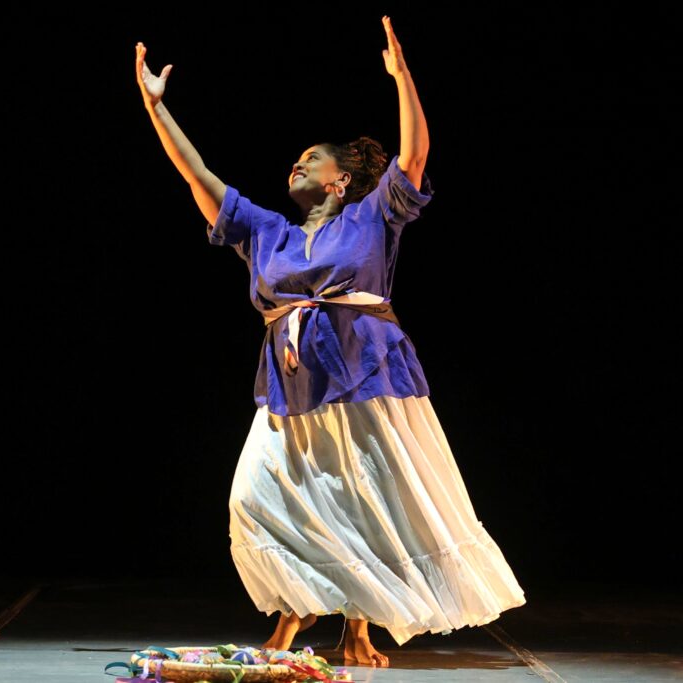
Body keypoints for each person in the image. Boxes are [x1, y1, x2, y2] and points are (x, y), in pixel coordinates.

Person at [135, 16, 526, 668]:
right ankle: (301, 608)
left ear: (341, 180)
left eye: (313, 157)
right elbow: (197, 175)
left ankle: (351, 632)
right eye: (298, 158)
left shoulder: (371, 217)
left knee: (364, 498)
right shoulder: (268, 233)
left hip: (366, 374)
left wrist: (402, 78)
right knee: (252, 499)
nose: (298, 162)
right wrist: (156, 108)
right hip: (291, 388)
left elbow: (414, 156)